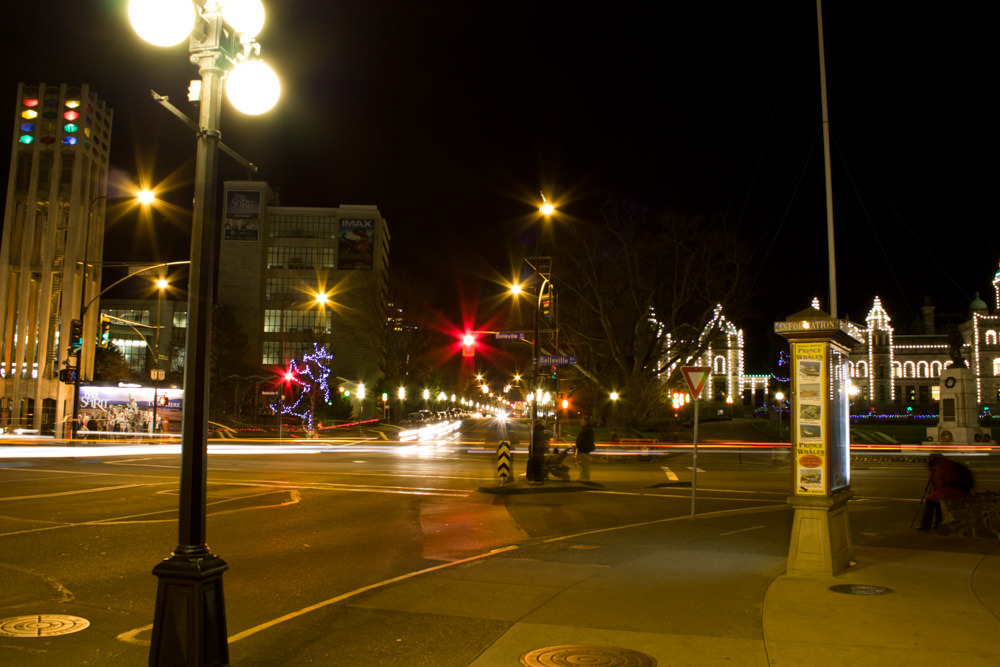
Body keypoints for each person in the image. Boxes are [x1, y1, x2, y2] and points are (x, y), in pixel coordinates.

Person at [919, 453, 974, 530]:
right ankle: (938, 523)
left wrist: (937, 493)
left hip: (955, 490)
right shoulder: (947, 463)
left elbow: (941, 483)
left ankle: (926, 525)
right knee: (936, 500)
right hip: (960, 489)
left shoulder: (940, 466)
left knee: (930, 501)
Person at [575, 416, 596, 481]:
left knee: (585, 464)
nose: (581, 422)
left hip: (584, 449)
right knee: (582, 464)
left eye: (583, 420)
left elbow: (585, 440)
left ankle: (585, 477)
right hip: (583, 449)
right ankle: (583, 477)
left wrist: (580, 445)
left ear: (586, 422)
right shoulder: (585, 429)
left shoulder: (587, 430)